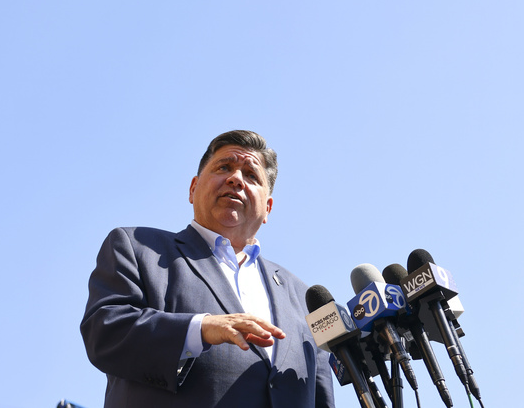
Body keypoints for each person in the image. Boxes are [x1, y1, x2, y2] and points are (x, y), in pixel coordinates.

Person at [80, 130, 336, 408]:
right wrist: (200, 328)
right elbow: (105, 332)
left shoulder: (304, 297)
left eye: (251, 175)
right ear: (193, 188)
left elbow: (320, 396)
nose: (236, 178)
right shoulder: (137, 247)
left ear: (268, 209)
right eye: (224, 167)